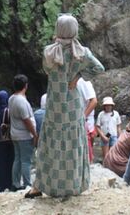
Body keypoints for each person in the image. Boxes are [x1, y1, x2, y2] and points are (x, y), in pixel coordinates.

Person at [25, 14, 105, 198]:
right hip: (73, 106)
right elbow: (99, 68)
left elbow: (46, 70)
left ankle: (41, 186)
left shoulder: (49, 52)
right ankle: (75, 185)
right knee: (73, 145)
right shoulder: (83, 52)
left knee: (49, 145)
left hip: (54, 105)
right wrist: (77, 77)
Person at [8, 74, 38, 190]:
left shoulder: (11, 98)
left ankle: (15, 183)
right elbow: (27, 120)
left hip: (15, 133)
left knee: (17, 159)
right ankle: (27, 184)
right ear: (26, 86)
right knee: (26, 161)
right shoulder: (21, 101)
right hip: (24, 135)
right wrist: (35, 134)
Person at [76, 77, 98, 162]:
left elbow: (94, 101)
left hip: (85, 122)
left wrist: (83, 117)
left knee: (87, 150)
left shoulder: (83, 81)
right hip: (79, 122)